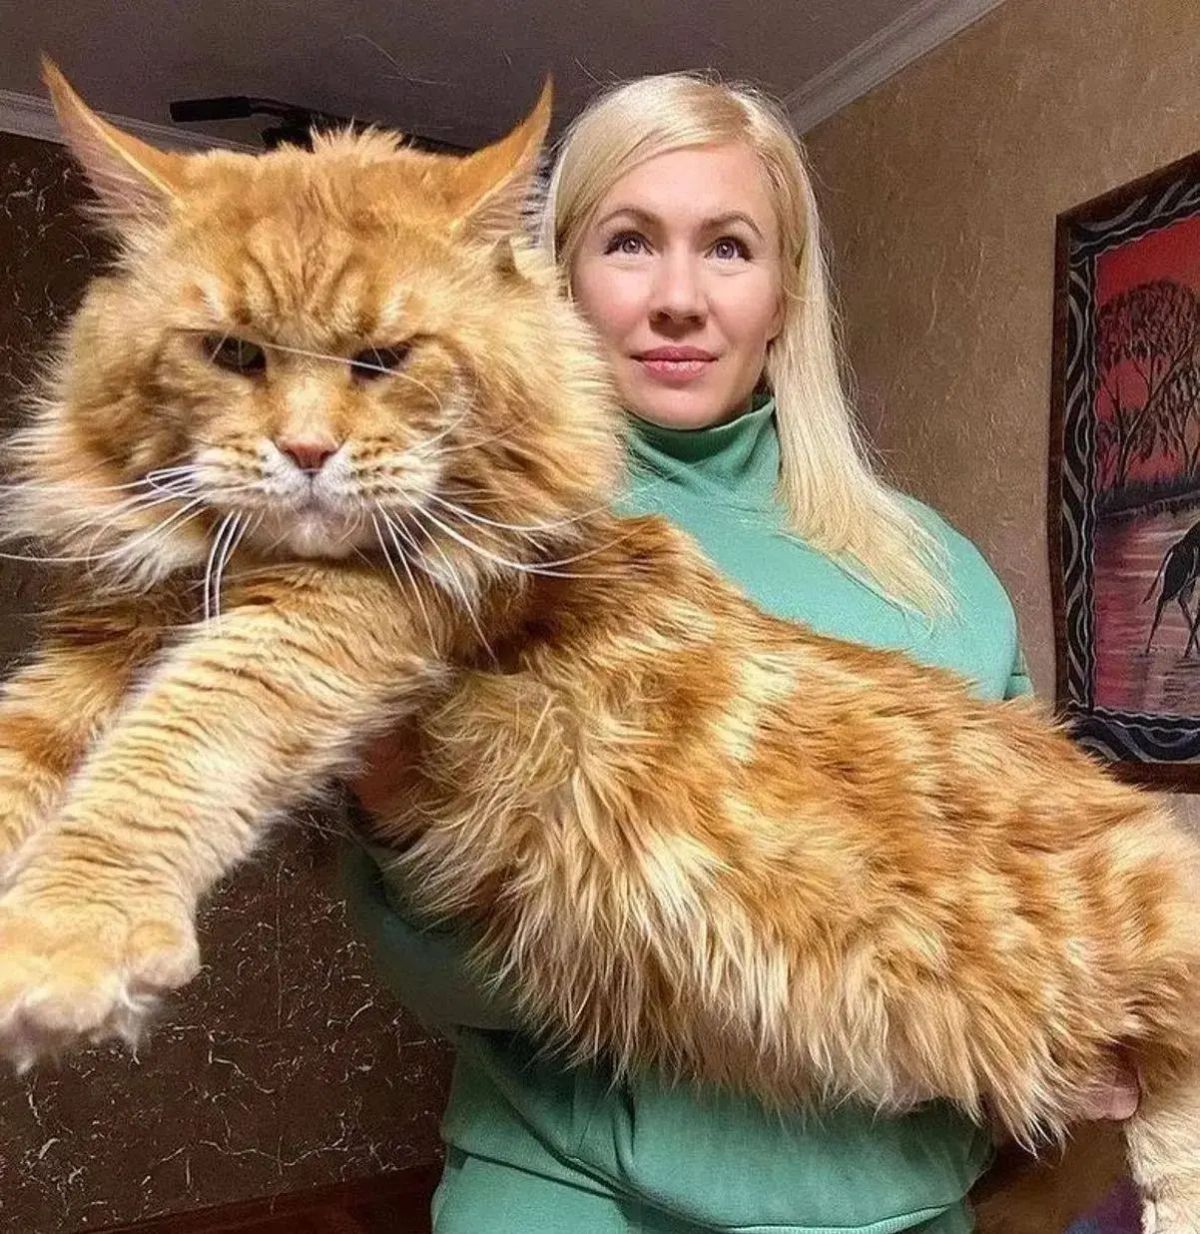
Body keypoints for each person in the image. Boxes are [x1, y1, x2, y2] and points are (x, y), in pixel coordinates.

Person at [341, 72, 1134, 1234]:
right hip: (570, 1193)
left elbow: (1035, 898)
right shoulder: (470, 552)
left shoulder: (937, 576)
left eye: (727, 247)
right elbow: (436, 969)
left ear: (785, 291)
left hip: (898, 1202)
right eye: (627, 242)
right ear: (559, 281)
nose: (677, 298)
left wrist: (1081, 1013)